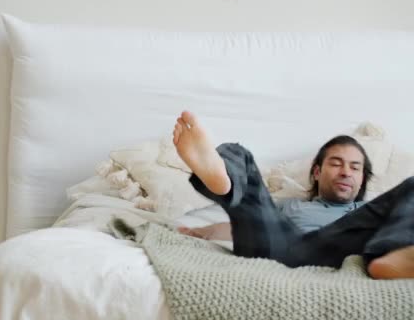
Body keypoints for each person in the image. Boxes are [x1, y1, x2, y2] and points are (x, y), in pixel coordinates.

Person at [172, 111, 414, 280]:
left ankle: (392, 257)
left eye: (355, 167)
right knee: (239, 153)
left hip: (341, 249)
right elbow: (247, 220)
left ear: (363, 178)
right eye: (336, 164)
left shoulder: (374, 213)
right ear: (317, 172)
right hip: (282, 246)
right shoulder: (291, 206)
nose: (345, 172)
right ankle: (222, 179)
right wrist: (204, 231)